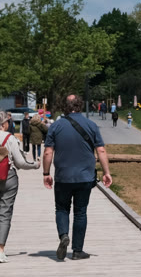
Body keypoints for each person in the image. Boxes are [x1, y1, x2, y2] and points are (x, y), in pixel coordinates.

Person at [44, 95, 112, 261]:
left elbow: (47, 152)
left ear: (65, 107)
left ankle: (64, 235)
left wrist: (46, 173)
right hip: (85, 176)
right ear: (80, 106)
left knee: (62, 209)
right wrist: (106, 172)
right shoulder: (91, 125)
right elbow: (101, 150)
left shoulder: (56, 126)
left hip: (63, 176)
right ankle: (77, 251)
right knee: (80, 212)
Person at [0, 110, 39, 263]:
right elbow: (20, 163)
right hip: (8, 179)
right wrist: (35, 165)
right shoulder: (10, 138)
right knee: (5, 213)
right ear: (4, 124)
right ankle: (0, 250)